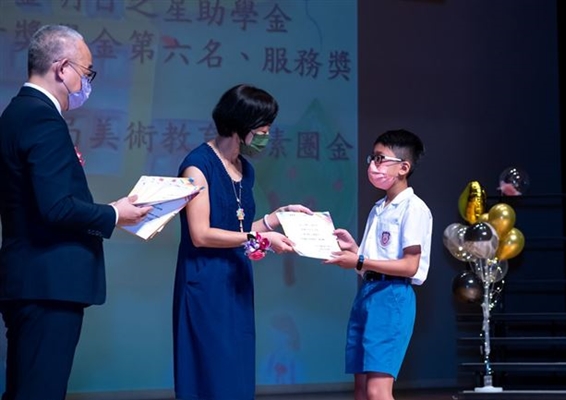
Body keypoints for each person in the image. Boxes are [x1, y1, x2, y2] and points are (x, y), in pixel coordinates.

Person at [0, 25, 153, 400]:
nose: (87, 83)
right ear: (62, 68)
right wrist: (114, 214)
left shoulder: (17, 112)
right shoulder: (41, 117)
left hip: (29, 280)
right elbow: (56, 207)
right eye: (87, 73)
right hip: (48, 283)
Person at [173, 83, 312, 400]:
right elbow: (201, 233)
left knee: (236, 367)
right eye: (263, 128)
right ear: (240, 125)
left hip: (236, 279)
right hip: (205, 281)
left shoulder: (244, 169)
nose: (267, 135)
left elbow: (239, 227)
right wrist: (260, 236)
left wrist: (276, 218)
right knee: (211, 367)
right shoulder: (198, 166)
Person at [324, 129, 433, 400]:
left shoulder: (413, 208)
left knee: (377, 391)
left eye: (380, 159)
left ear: (403, 168)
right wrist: (354, 250)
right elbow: (372, 262)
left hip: (392, 296)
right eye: (372, 158)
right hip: (368, 294)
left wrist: (360, 259)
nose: (373, 165)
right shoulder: (379, 208)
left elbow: (409, 266)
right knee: (361, 390)